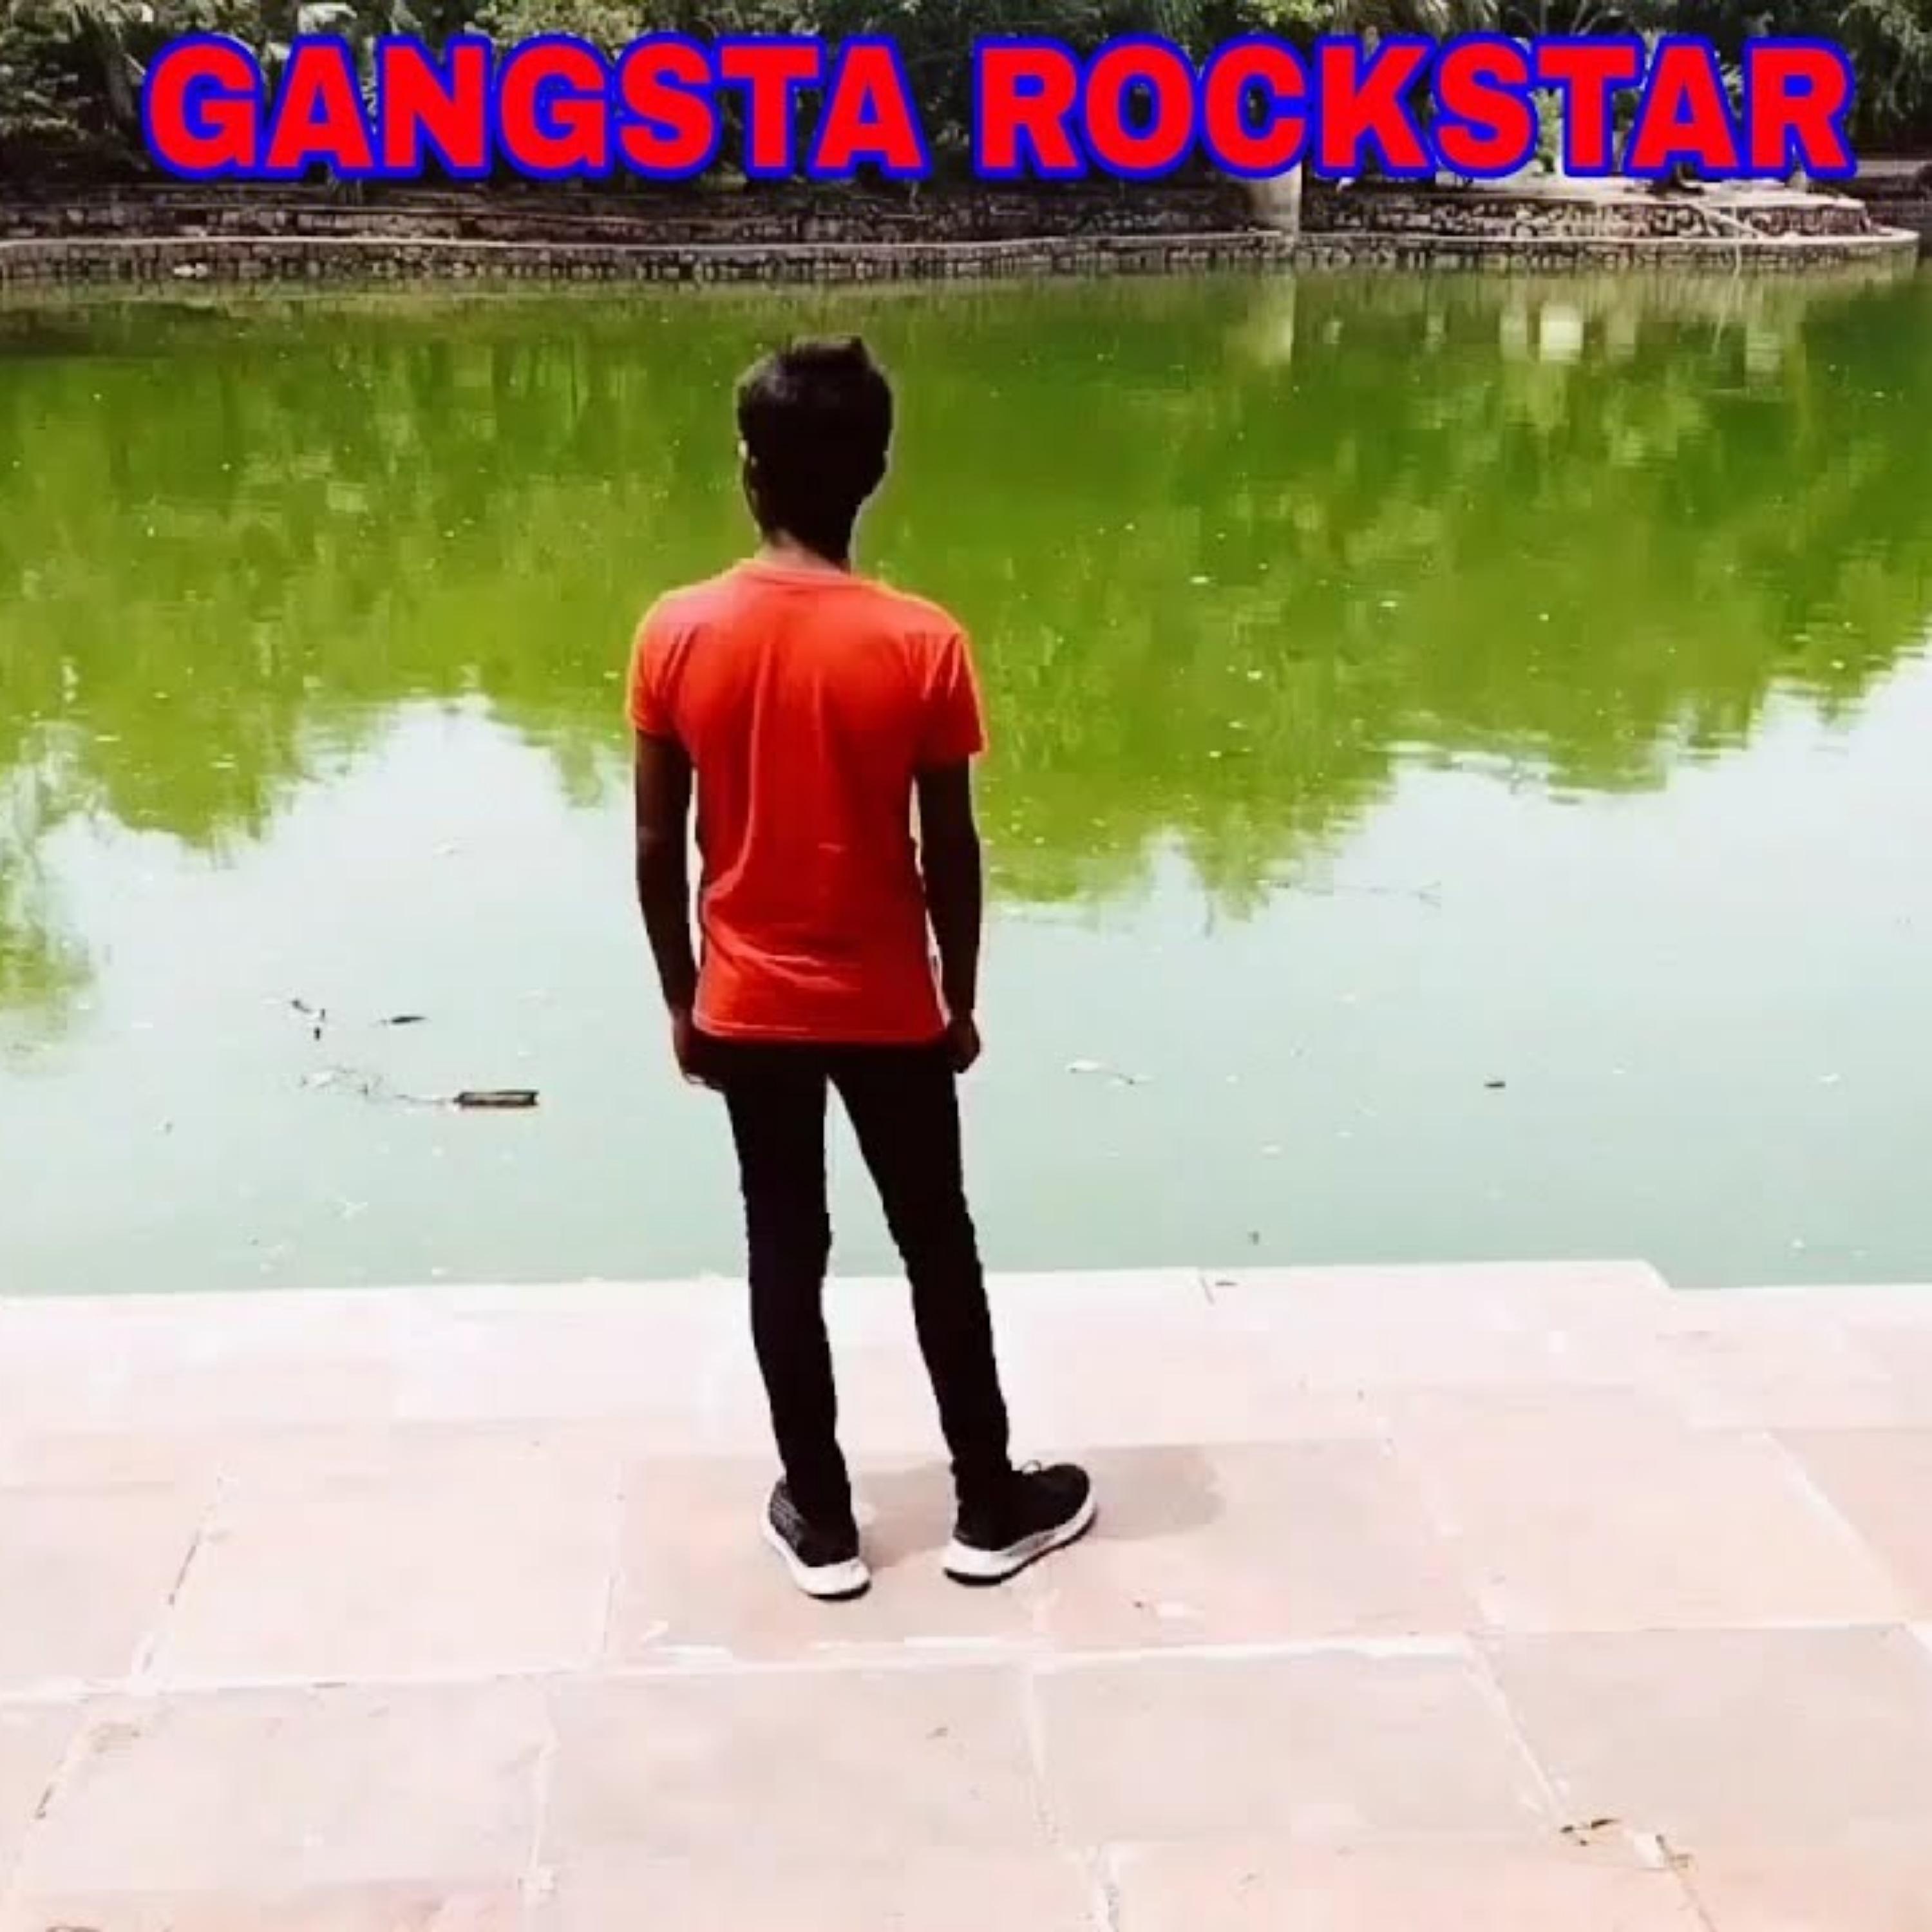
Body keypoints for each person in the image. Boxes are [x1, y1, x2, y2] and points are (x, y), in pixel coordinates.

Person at [628, 336, 1094, 1602]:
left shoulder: (677, 632)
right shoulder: (921, 642)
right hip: (891, 1004)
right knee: (937, 1243)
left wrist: (681, 997)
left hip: (747, 1003)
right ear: (877, 470)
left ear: (748, 469)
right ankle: (987, 1503)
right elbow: (951, 847)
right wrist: (962, 998)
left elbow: (659, 843)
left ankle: (824, 1521)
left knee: (786, 1247)